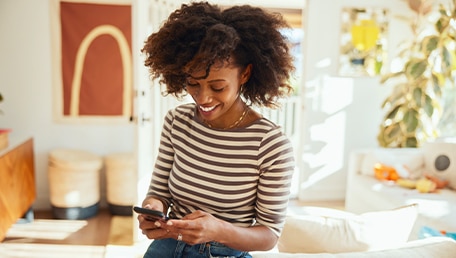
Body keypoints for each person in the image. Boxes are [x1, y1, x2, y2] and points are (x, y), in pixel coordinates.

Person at [137, 2, 296, 257]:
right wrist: (151, 209)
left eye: (218, 87)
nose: (203, 98)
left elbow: (269, 236)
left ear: (245, 74)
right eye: (193, 83)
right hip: (166, 249)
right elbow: (159, 193)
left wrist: (218, 230)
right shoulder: (177, 122)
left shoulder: (270, 144)